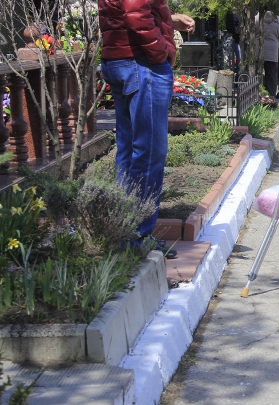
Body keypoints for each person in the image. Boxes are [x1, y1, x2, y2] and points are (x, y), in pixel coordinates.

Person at [99, 0, 195, 258]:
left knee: (129, 152)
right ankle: (137, 237)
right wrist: (162, 51)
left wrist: (168, 18)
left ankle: (123, 232)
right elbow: (134, 12)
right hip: (140, 63)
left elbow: (129, 8)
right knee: (149, 152)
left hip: (120, 58)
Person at [262, 11, 279, 97]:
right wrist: (277, 44)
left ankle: (259, 97)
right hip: (273, 51)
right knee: (272, 76)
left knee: (257, 76)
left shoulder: (257, 18)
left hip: (259, 50)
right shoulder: (278, 20)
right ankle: (272, 98)